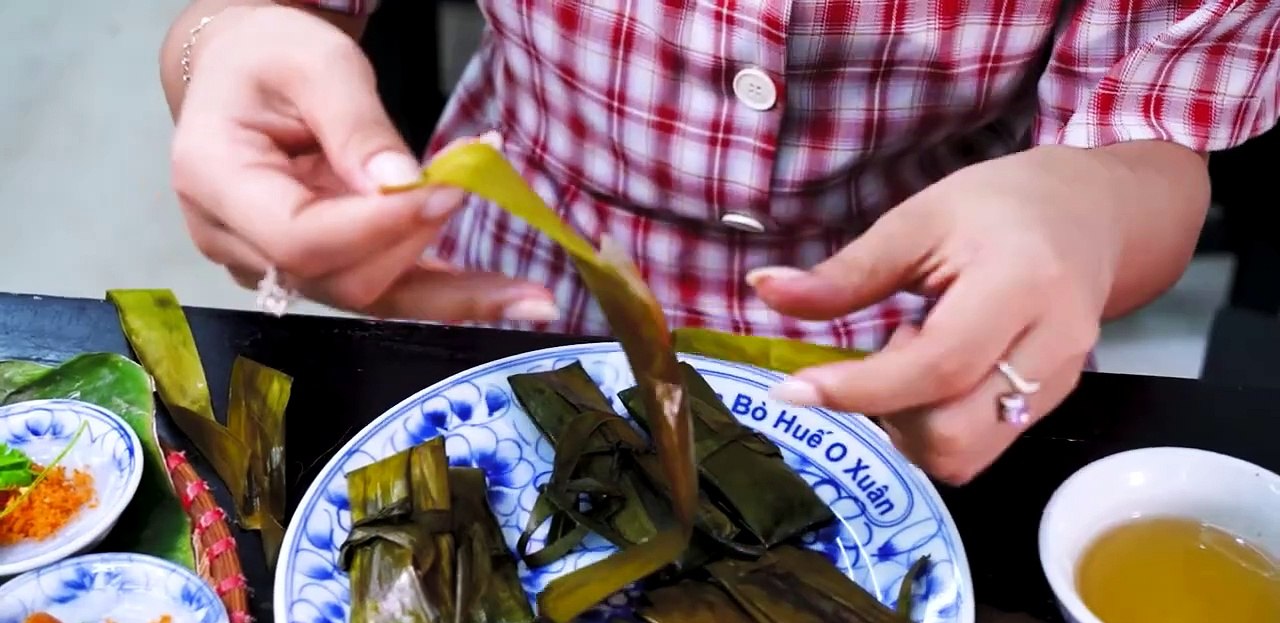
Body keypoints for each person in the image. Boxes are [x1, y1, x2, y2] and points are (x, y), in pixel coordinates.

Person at [159, 1, 1280, 483]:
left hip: (915, 342)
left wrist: (1086, 210)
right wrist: (219, 47)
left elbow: (1149, 139)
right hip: (497, 291)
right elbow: (263, 16)